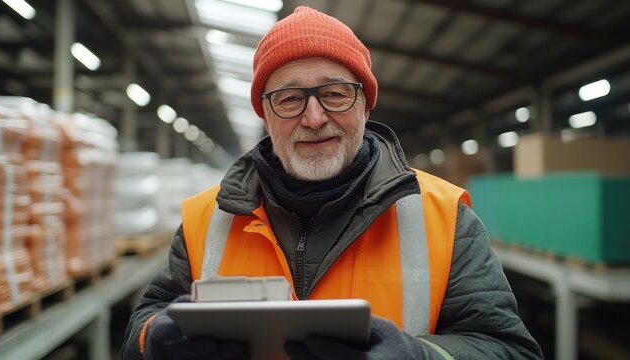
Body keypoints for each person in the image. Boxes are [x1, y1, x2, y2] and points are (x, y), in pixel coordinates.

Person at [121, 5, 543, 360]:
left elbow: (509, 347)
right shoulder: (207, 218)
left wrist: (419, 355)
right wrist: (155, 338)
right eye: (289, 99)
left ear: (365, 103)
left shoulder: (444, 217)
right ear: (265, 116)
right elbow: (142, 325)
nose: (314, 117)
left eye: (335, 93)